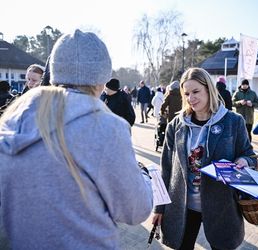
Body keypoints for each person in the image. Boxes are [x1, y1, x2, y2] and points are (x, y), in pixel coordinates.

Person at [0, 29, 153, 249]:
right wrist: (145, 177)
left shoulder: (12, 117)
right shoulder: (108, 128)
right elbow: (135, 211)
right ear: (101, 79)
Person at [152, 67, 257, 250]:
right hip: (182, 207)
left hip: (222, 206)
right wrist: (159, 208)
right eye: (187, 93)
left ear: (209, 89)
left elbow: (249, 155)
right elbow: (166, 169)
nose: (191, 98)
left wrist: (244, 162)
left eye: (196, 92)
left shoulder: (233, 122)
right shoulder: (175, 126)